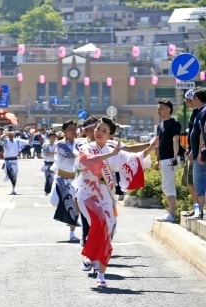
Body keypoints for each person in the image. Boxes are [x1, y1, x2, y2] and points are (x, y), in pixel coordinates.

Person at [74, 117, 157, 288]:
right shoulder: (84, 147)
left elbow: (133, 159)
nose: (99, 133)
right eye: (98, 129)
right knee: (99, 223)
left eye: (104, 130)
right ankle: (89, 256)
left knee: (106, 232)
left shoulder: (114, 149)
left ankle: (101, 275)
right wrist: (110, 155)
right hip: (87, 194)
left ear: (110, 135)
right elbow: (86, 163)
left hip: (106, 195)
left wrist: (150, 147)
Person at [51, 120, 81, 242]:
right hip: (61, 178)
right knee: (54, 201)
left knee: (74, 205)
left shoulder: (80, 144)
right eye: (70, 129)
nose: (74, 131)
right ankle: (66, 215)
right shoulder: (60, 144)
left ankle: (72, 233)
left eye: (75, 129)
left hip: (74, 179)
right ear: (64, 131)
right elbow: (70, 155)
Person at [155, 100, 182, 222]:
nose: (159, 110)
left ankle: (171, 214)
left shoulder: (174, 124)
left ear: (168, 109)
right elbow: (158, 144)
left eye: (161, 108)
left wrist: (175, 157)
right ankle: (170, 212)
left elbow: (175, 141)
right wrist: (157, 160)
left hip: (170, 159)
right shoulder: (160, 125)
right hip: (163, 159)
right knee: (166, 186)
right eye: (158, 108)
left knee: (168, 186)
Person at [182, 89, 200, 216]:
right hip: (192, 151)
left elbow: (200, 135)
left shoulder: (201, 113)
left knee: (193, 182)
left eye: (188, 100)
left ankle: (199, 208)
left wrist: (194, 151)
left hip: (197, 153)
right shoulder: (195, 113)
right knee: (189, 183)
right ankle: (197, 206)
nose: (187, 103)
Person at [0, 128, 29, 195]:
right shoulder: (5, 141)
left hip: (14, 160)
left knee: (14, 175)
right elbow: (0, 140)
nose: (11, 135)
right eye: (10, 134)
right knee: (9, 174)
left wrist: (31, 135)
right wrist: (5, 134)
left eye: (12, 134)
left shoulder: (18, 141)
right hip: (7, 160)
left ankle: (13, 189)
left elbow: (27, 142)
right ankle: (12, 187)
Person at [192, 88, 206, 219]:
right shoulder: (200, 112)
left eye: (193, 98)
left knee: (199, 182)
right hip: (199, 152)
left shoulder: (203, 111)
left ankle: (202, 212)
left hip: (202, 154)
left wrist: (200, 152)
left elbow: (203, 132)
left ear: (197, 98)